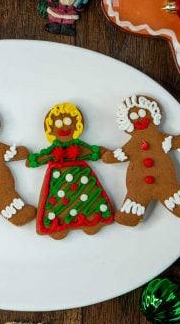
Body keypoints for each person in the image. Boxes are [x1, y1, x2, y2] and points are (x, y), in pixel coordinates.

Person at [26, 102, 114, 239]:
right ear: (51, 129)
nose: (64, 127)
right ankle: (57, 225)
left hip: (80, 175)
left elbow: (90, 152)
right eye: (59, 124)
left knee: (87, 196)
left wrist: (100, 152)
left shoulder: (78, 146)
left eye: (68, 121)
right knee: (56, 204)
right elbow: (44, 156)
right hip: (58, 178)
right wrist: (35, 160)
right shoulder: (53, 149)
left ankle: (92, 220)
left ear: (77, 126)